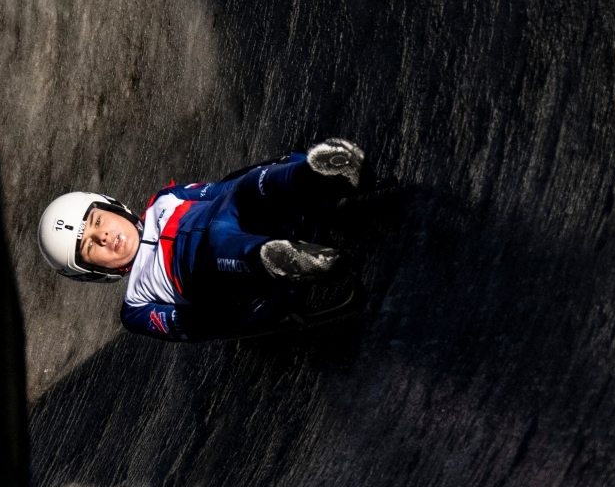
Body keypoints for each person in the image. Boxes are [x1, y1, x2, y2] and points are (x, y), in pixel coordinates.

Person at [37, 140, 369, 341]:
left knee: (247, 187)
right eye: (90, 245)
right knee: (220, 248)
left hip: (230, 210)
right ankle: (278, 261)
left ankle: (316, 175)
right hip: (214, 270)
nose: (104, 235)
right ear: (91, 271)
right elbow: (197, 326)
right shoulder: (135, 307)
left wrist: (269, 175)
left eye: (96, 221)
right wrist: (254, 310)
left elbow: (222, 189)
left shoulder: (164, 199)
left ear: (112, 207)